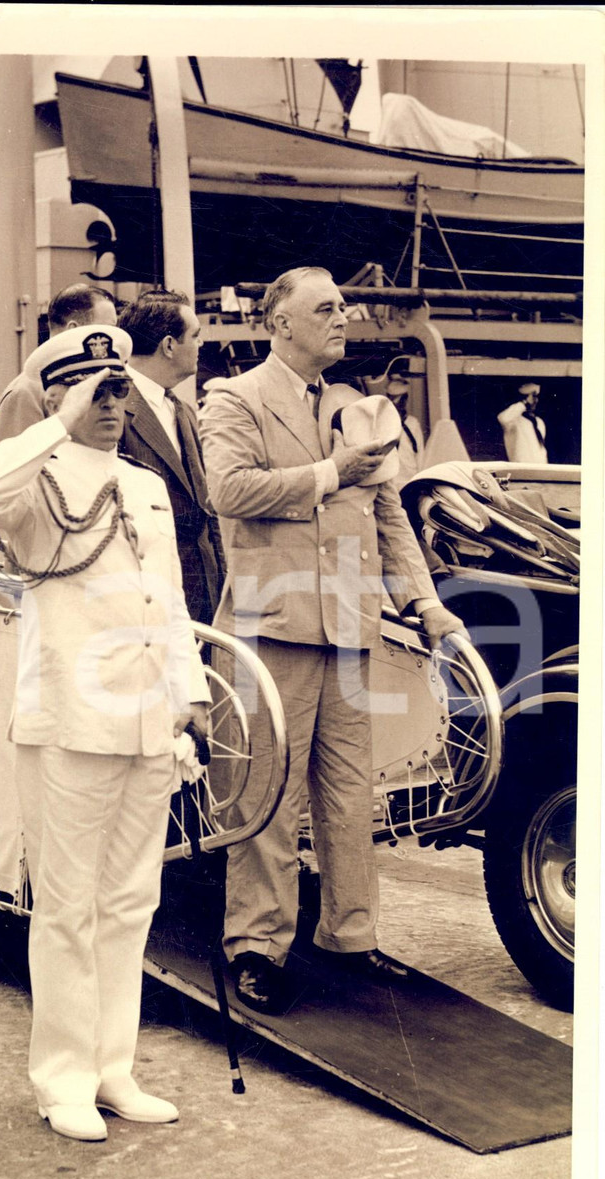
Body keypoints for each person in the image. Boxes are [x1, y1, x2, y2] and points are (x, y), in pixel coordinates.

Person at [0, 326, 210, 1142]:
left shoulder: (143, 485)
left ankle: (113, 1066)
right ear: (63, 394)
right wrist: (51, 419)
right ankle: (61, 1078)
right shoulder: (35, 475)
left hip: (145, 723)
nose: (112, 406)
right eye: (94, 391)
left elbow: (167, 599)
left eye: (117, 391)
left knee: (131, 901)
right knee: (66, 909)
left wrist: (190, 692)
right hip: (69, 724)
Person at [198, 266, 466, 1016]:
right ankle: (257, 945)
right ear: (277, 321)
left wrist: (424, 601)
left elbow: (391, 518)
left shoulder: (361, 410)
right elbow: (228, 489)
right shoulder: (234, 399)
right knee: (266, 792)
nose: (341, 317)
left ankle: (350, 936)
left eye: (343, 306)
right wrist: (327, 472)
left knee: (351, 795)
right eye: (324, 308)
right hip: (267, 628)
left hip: (348, 630)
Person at [116, 288, 225, 625]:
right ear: (168, 345)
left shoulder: (183, 411)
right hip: (147, 596)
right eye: (195, 335)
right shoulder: (113, 409)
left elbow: (208, 509)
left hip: (202, 592)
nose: (201, 344)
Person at [0, 282, 117, 439]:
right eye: (107, 329)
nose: (114, 337)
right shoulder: (27, 392)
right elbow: (21, 459)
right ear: (73, 330)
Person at [383, 371, 427, 487]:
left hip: (410, 478)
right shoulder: (382, 422)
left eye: (399, 400)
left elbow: (420, 453)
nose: (396, 404)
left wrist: (419, 478)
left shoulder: (412, 423)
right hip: (390, 480)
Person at [497, 381, 548, 464]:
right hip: (521, 468)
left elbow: (541, 450)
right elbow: (502, 418)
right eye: (533, 397)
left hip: (540, 468)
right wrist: (524, 403)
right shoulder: (514, 421)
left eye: (536, 397)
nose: (535, 400)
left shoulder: (539, 422)